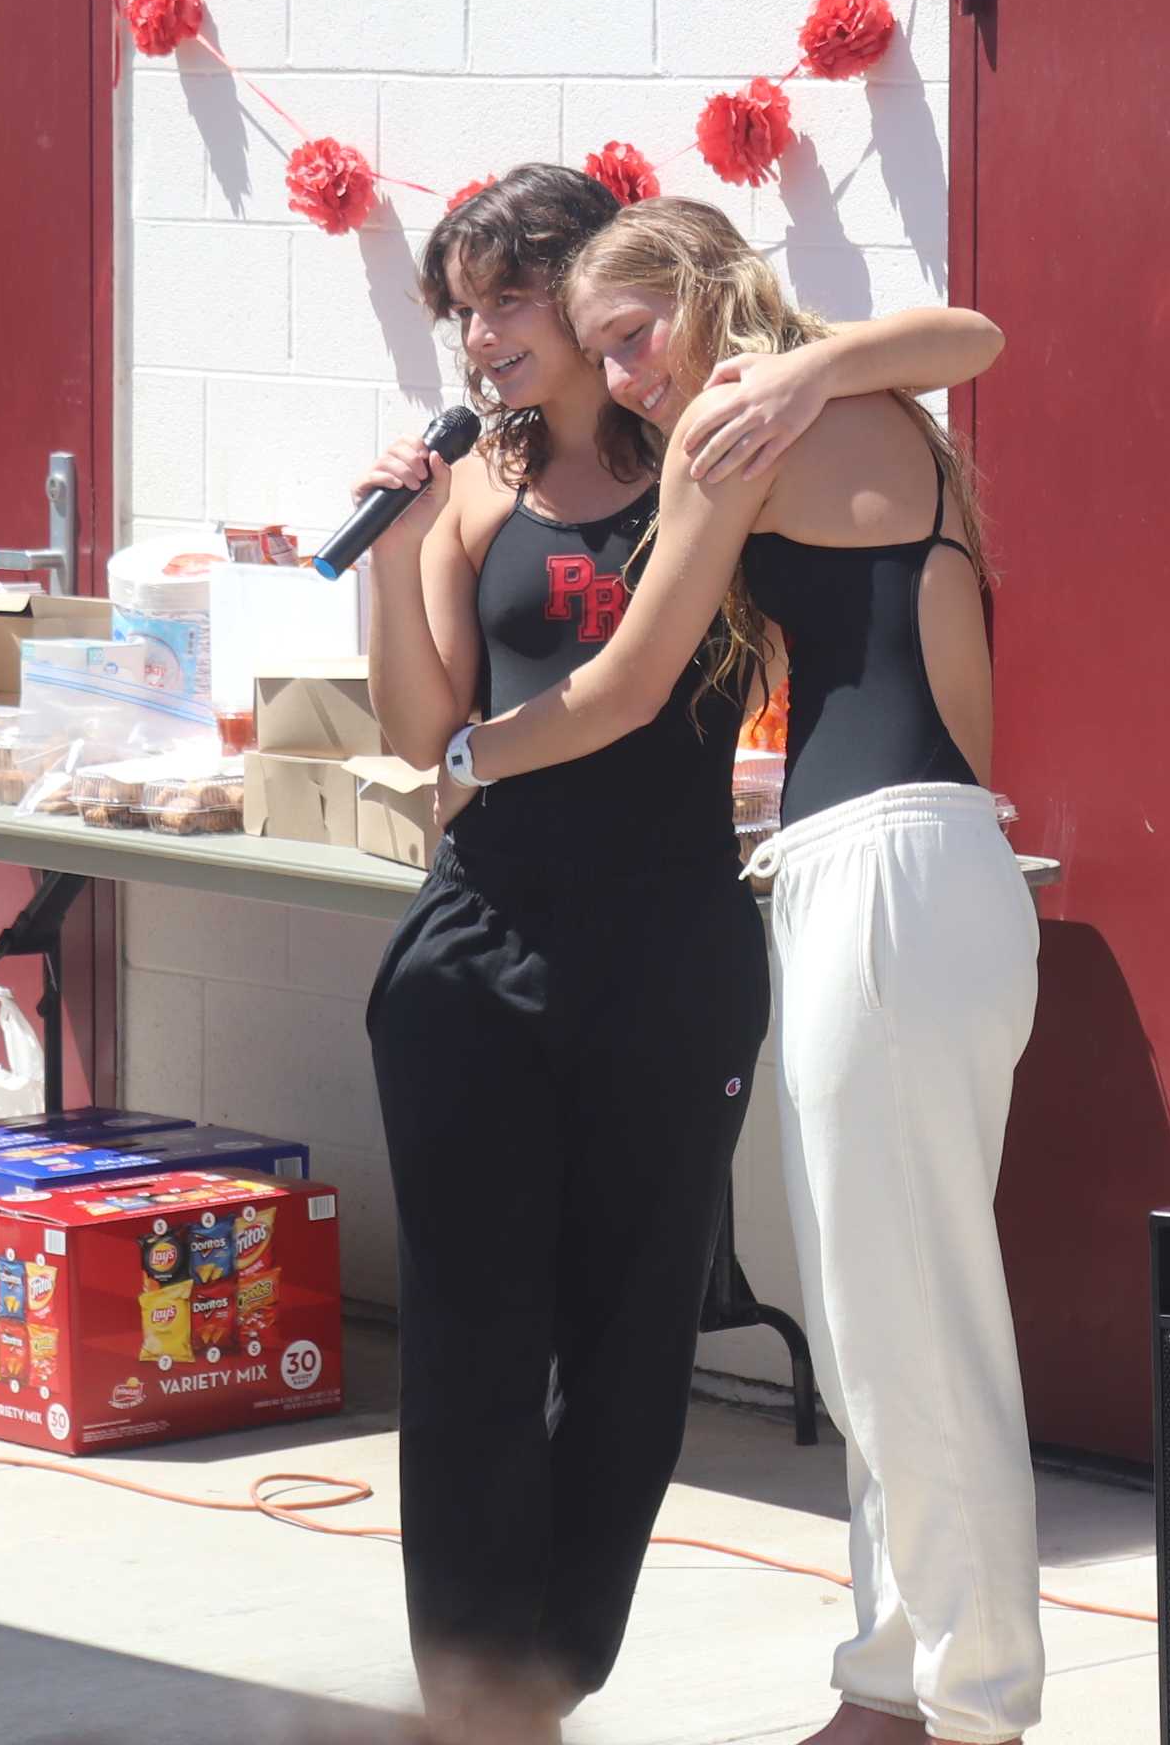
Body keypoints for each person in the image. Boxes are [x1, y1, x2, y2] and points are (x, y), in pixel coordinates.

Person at [349, 165, 999, 1745]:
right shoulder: (478, 487)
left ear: (591, 299)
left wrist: (807, 361)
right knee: (471, 1337)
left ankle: (558, 1664)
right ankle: (478, 1696)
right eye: (462, 311)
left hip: (672, 938)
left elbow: (960, 340)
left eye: (514, 301)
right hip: (481, 944)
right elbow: (414, 727)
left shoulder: (722, 442)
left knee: (637, 1330)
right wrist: (393, 544)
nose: (485, 338)